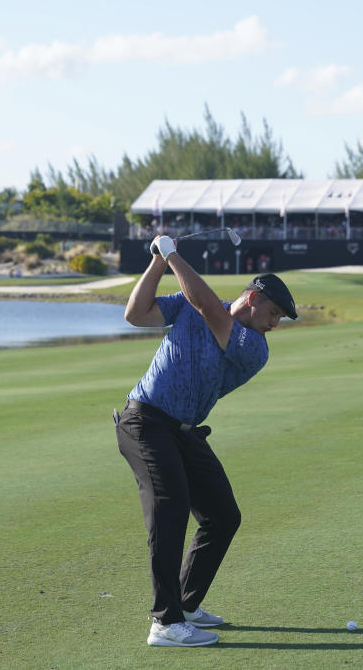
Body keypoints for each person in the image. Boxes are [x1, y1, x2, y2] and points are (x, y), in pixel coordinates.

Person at [115, 234, 297, 648]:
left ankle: (185, 604)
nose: (275, 324)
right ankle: (165, 622)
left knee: (222, 515)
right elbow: (136, 314)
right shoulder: (190, 309)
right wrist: (158, 262)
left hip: (182, 432)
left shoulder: (254, 347)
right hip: (144, 421)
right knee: (171, 506)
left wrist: (171, 252)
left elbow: (209, 307)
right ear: (252, 298)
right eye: (273, 313)